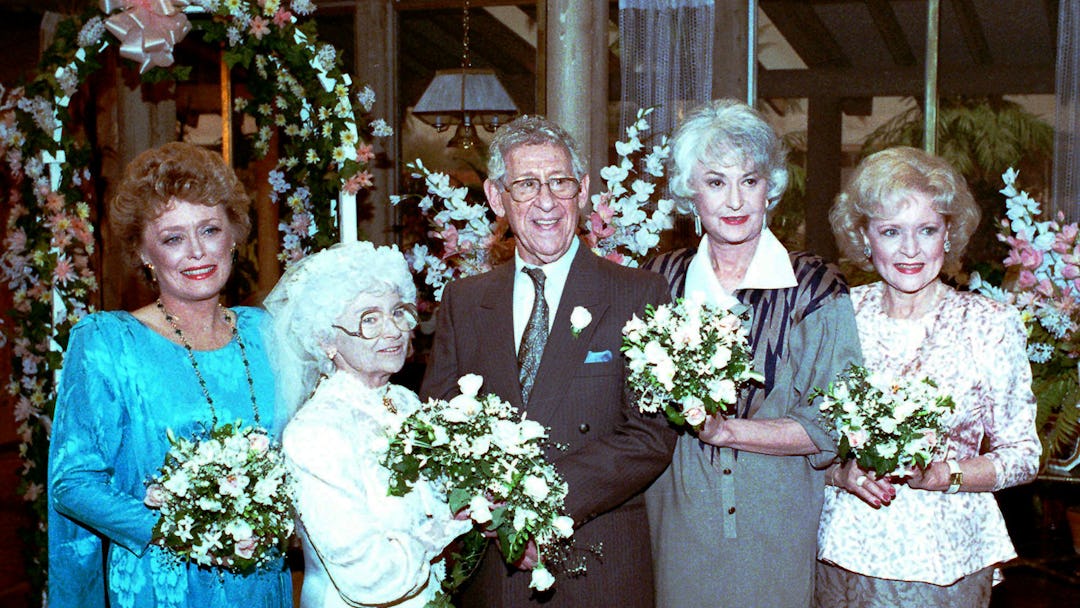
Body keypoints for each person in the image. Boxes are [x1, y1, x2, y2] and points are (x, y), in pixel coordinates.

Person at [420, 114, 676, 608]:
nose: (545, 201)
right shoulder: (465, 300)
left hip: (597, 565)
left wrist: (537, 504)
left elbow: (650, 435)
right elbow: (438, 424)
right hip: (493, 573)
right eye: (526, 184)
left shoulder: (636, 293)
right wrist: (496, 515)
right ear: (497, 198)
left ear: (581, 190)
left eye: (559, 182)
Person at [47, 142, 291, 607]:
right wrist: (187, 528)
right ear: (143, 251)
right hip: (162, 584)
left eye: (210, 229)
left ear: (234, 235)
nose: (197, 252)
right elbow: (73, 483)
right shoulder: (108, 342)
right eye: (173, 238)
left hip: (259, 581)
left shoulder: (268, 333)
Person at [642, 98, 862, 608]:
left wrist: (729, 431)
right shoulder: (656, 282)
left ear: (772, 189)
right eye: (716, 182)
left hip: (777, 526)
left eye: (750, 180)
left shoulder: (815, 288)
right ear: (689, 192)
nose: (735, 200)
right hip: (677, 524)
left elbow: (834, 420)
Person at [817, 146, 1040, 606]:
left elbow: (1023, 455)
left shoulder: (990, 324)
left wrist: (945, 474)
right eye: (891, 231)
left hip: (947, 562)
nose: (911, 250)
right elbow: (804, 434)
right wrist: (840, 474)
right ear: (864, 237)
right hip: (842, 553)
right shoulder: (834, 317)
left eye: (927, 230)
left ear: (949, 234)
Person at [264, 241, 471, 608]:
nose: (392, 330)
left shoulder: (404, 401)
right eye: (369, 319)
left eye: (397, 312)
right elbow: (367, 576)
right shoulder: (316, 432)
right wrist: (445, 528)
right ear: (325, 339)